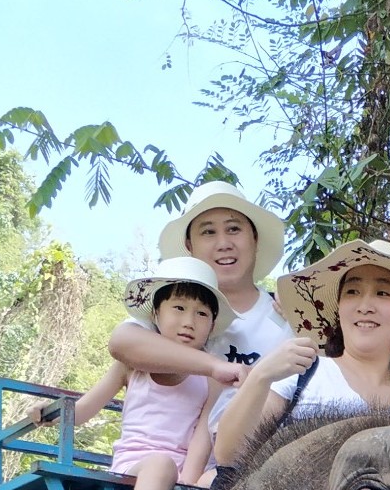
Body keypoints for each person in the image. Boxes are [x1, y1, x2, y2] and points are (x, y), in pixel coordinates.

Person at [208, 237, 390, 470]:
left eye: (383, 293)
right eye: (352, 292)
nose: (365, 306)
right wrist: (261, 376)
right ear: (338, 308)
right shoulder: (300, 374)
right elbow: (229, 454)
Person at [70, 258, 224, 490]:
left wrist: (190, 475)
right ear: (156, 313)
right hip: (137, 465)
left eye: (202, 314)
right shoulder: (132, 364)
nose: (189, 321)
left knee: (223, 477)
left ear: (212, 325)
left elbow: (204, 430)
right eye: (179, 308)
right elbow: (87, 407)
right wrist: (54, 417)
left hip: (185, 467)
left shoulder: (210, 373)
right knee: (160, 465)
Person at [106, 184, 290, 457]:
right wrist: (215, 367)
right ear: (190, 246)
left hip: (263, 470)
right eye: (208, 232)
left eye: (234, 229)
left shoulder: (285, 315)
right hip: (174, 470)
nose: (223, 243)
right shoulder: (172, 307)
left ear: (255, 238)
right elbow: (123, 342)